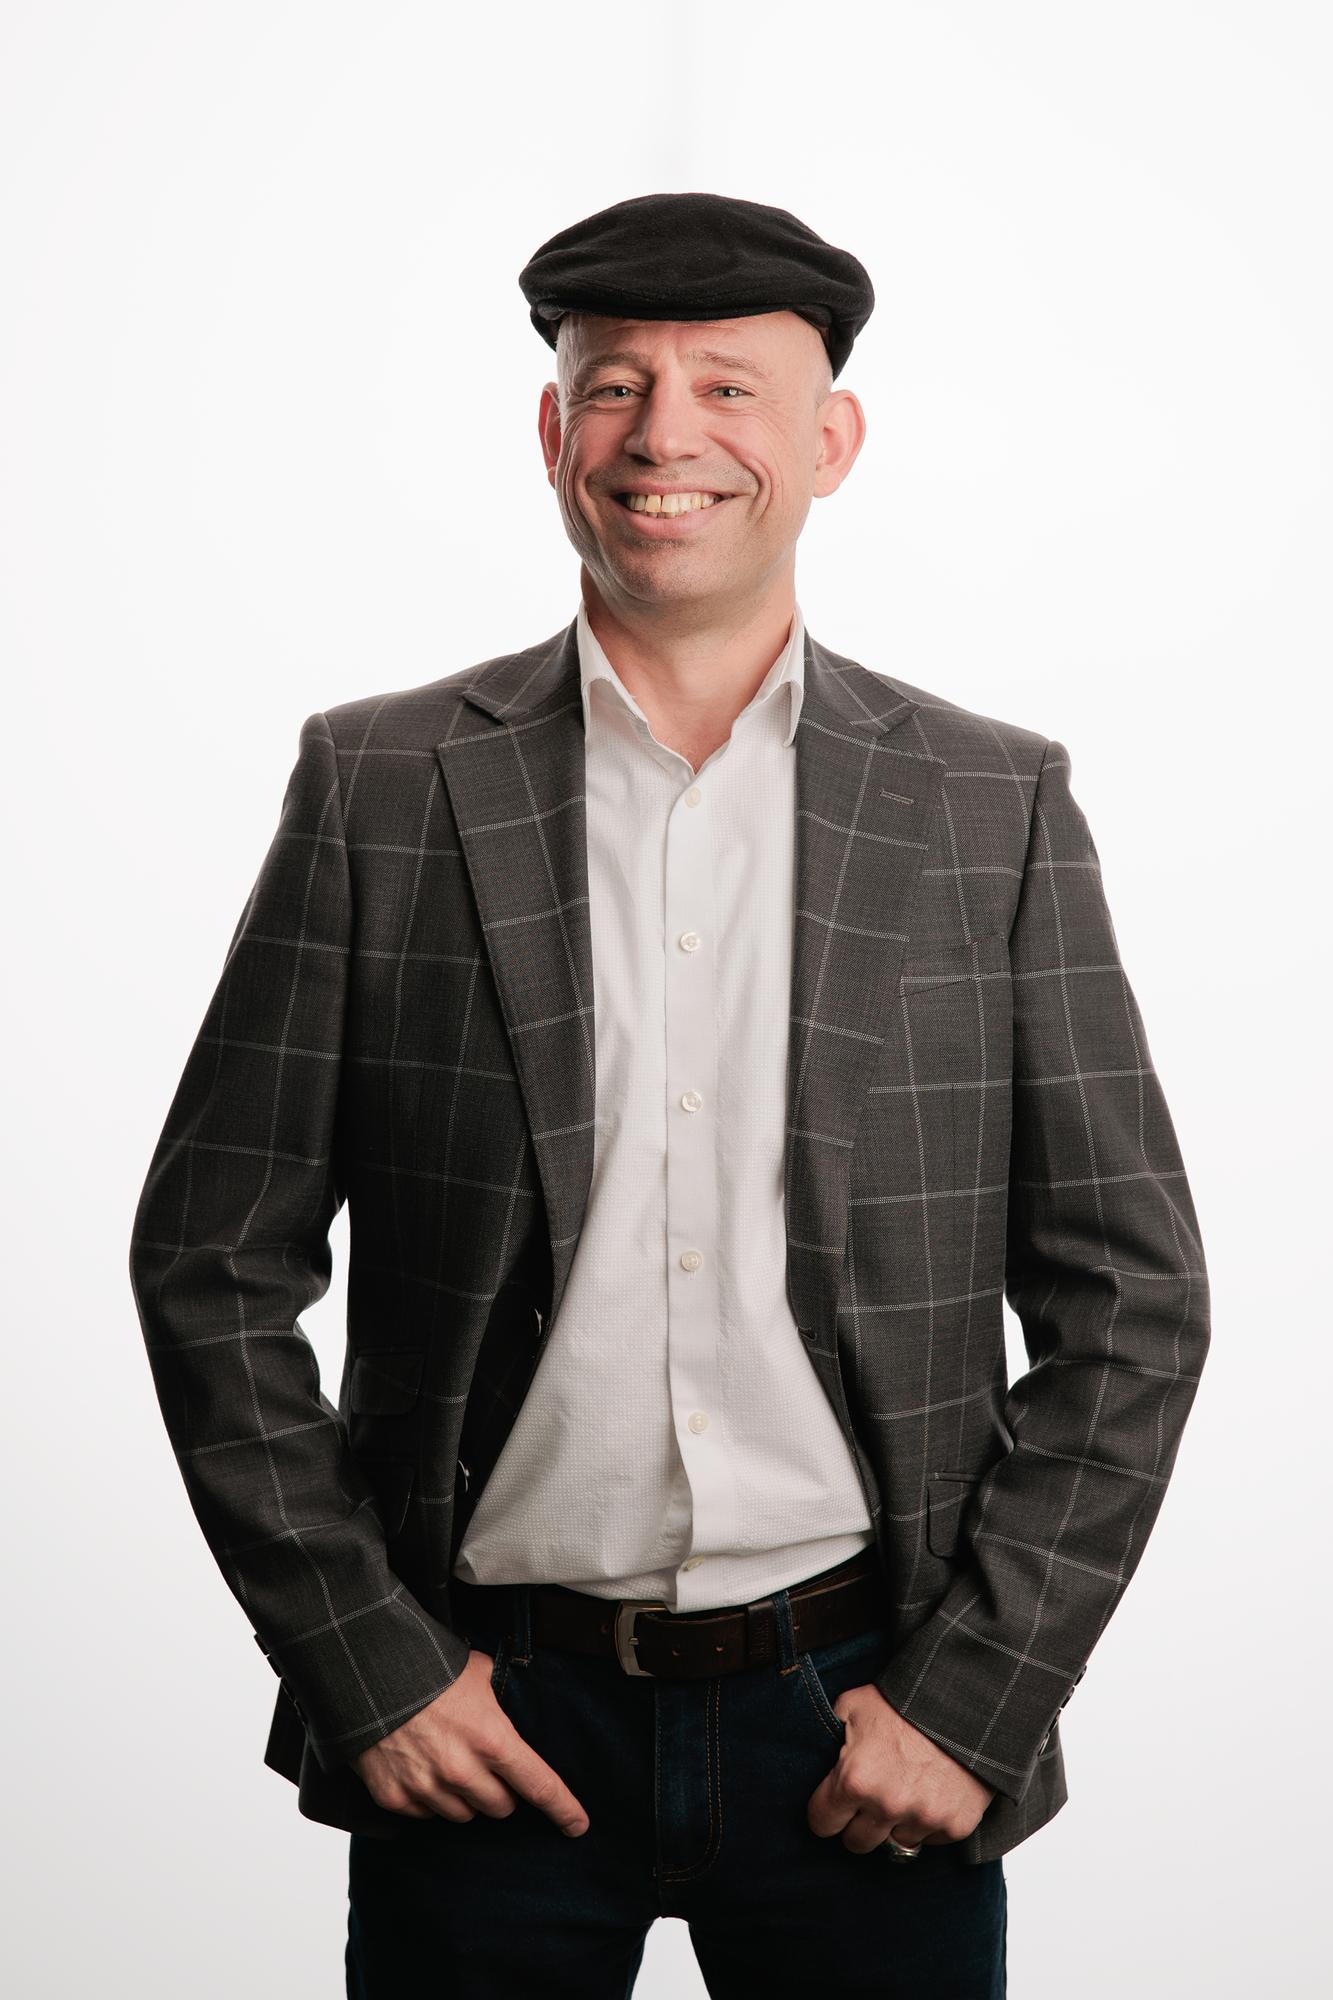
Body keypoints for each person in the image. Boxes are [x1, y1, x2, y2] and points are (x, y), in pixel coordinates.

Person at [129, 191, 1211, 1998]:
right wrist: (366, 1662)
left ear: (826, 443)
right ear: (553, 436)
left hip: (866, 1731)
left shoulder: (986, 805)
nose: (666, 436)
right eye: (613, 385)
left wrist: (974, 1701)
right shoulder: (380, 786)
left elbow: (1132, 1298)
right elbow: (209, 1261)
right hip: (485, 1735)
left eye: (728, 387)